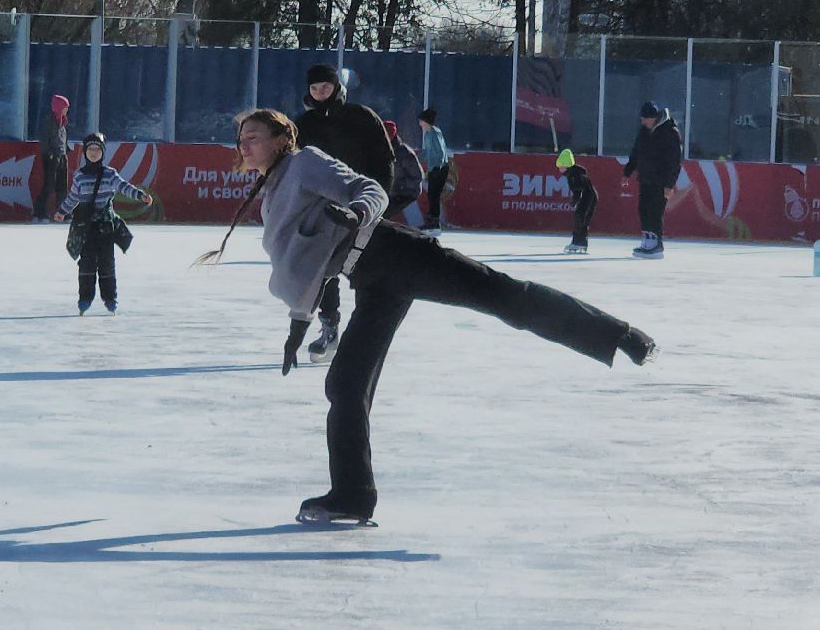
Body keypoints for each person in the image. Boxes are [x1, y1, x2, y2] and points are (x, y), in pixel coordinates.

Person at [200, 109, 657, 525]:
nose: (244, 144)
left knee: (505, 298)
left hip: (400, 256)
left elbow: (370, 190)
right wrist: (300, 322)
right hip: (372, 280)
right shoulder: (273, 189)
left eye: (254, 136)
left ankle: (619, 334)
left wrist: (357, 212)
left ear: (282, 139)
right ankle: (352, 497)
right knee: (344, 384)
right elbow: (306, 260)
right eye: (241, 137)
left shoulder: (305, 163)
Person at [296, 64, 394, 364]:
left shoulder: (361, 117)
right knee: (323, 270)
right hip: (322, 208)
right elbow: (293, 167)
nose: (320, 92)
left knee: (367, 271)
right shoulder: (304, 124)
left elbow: (384, 161)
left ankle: (367, 335)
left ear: (336, 87)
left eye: (325, 87)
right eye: (314, 88)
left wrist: (378, 201)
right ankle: (330, 328)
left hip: (361, 207)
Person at [53, 131, 154, 314]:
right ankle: (85, 299)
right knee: (86, 264)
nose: (93, 152)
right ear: (85, 152)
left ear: (103, 152)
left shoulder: (109, 174)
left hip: (105, 226)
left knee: (107, 263)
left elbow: (124, 187)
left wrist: (140, 195)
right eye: (90, 149)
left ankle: (110, 299)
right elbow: (73, 197)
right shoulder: (80, 176)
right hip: (86, 227)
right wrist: (62, 211)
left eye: (97, 149)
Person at [622, 101, 681, 259]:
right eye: (642, 119)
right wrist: (627, 172)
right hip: (646, 178)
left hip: (660, 181)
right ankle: (648, 240)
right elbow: (636, 152)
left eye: (645, 119)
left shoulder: (670, 132)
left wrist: (669, 185)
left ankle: (657, 244)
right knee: (644, 209)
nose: (643, 122)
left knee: (655, 211)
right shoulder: (643, 131)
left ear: (654, 118)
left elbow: (674, 161)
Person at [35, 94, 70, 222]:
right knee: (49, 186)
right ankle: (39, 213)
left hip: (62, 156)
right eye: (65, 107)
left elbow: (62, 140)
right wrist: (48, 153)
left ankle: (63, 213)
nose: (67, 110)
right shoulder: (49, 122)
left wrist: (66, 151)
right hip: (51, 157)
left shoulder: (64, 122)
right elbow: (45, 140)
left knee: (62, 187)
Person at [417, 108, 451, 235]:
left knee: (434, 195)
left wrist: (439, 166)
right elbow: (427, 152)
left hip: (440, 168)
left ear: (426, 121)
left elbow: (441, 151)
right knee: (431, 195)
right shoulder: (427, 134)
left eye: (421, 121)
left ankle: (435, 222)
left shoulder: (435, 132)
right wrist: (417, 159)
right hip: (434, 168)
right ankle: (431, 220)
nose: (420, 124)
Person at [382, 120, 424, 221]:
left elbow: (418, 176)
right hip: (391, 191)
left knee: (384, 212)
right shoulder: (382, 149)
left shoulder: (404, 152)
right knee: (379, 210)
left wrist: (399, 186)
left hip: (407, 192)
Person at [559, 148, 597, 254]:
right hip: (589, 196)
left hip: (588, 197)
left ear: (566, 165)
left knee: (579, 217)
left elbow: (578, 188)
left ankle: (577, 242)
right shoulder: (573, 173)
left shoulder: (573, 174)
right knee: (581, 219)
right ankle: (582, 242)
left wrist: (574, 201)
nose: (559, 169)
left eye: (561, 166)